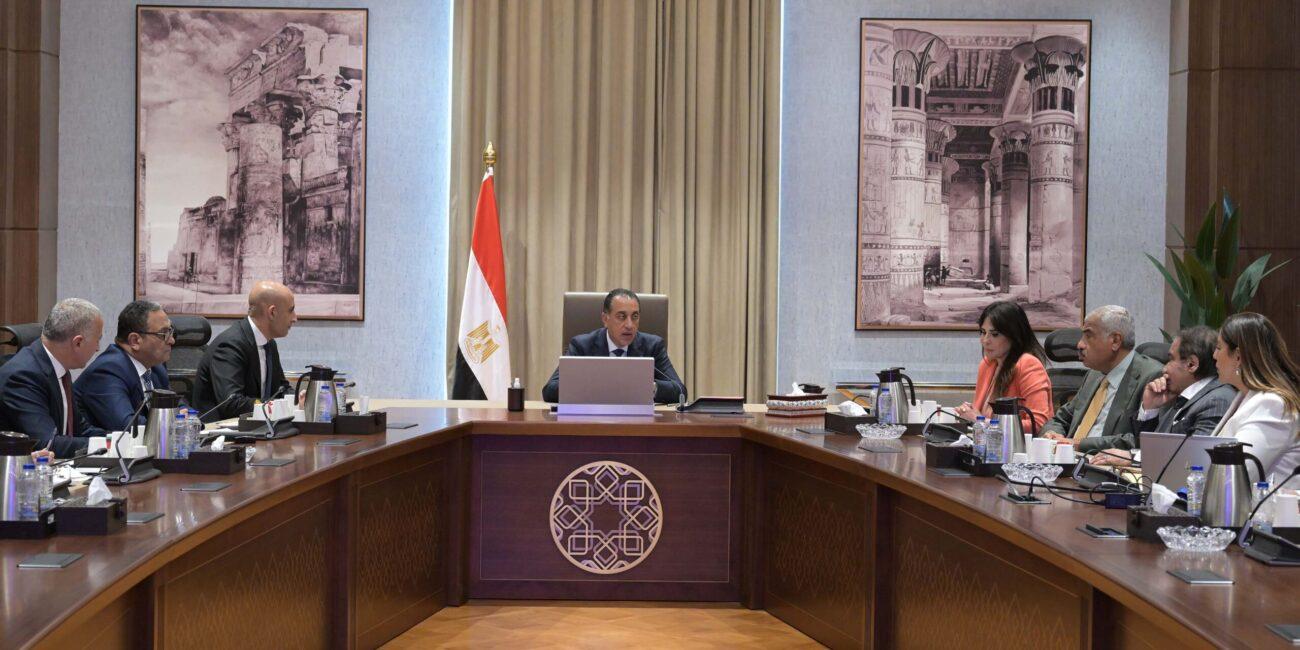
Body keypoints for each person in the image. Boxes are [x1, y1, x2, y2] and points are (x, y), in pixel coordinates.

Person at [1091, 326, 1236, 467]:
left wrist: (1132, 457)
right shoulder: (1180, 395)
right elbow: (1147, 445)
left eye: (1170, 359)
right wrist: (1150, 409)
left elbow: (1195, 457)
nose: (1164, 368)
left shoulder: (1217, 400)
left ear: (1192, 364)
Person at [1041, 305, 1164, 453]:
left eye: (1089, 336)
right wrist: (1052, 433)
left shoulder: (1151, 377)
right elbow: (1061, 418)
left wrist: (1078, 444)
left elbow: (1138, 440)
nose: (1080, 344)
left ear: (1115, 341)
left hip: (1105, 463)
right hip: (1069, 459)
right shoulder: (1094, 374)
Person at [0, 299, 107, 457]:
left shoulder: (60, 368)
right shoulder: (23, 376)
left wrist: (118, 440)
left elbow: (80, 430)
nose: (98, 348)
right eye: (98, 339)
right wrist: (105, 445)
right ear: (78, 342)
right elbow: (47, 443)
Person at [542, 288, 686, 404]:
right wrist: (600, 385)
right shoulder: (582, 346)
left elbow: (680, 391)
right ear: (605, 319)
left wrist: (648, 387)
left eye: (635, 316)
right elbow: (550, 390)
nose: (629, 325)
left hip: (639, 423)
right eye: (621, 316)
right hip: (593, 420)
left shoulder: (653, 346)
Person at [1206, 312, 1300, 480]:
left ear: (1238, 356)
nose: (1214, 355)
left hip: (1263, 498)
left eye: (1219, 348)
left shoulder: (1272, 405)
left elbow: (1238, 474)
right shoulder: (1245, 397)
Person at [191, 281, 297, 421]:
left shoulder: (269, 343)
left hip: (255, 427)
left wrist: (298, 398)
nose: (295, 318)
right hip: (220, 431)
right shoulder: (230, 345)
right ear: (272, 312)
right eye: (291, 310)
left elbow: (280, 388)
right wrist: (274, 406)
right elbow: (231, 403)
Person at [955, 301, 1053, 433]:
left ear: (1013, 335)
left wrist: (980, 420)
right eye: (983, 332)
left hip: (1021, 445)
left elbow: (1038, 424)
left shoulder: (1028, 364)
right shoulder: (987, 364)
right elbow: (980, 416)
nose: (985, 340)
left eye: (994, 334)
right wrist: (968, 413)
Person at [74, 300, 173, 430]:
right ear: (135, 341)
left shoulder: (156, 367)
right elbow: (129, 427)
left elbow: (178, 406)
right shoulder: (107, 371)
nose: (172, 340)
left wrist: (183, 417)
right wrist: (177, 424)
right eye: (164, 334)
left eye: (171, 332)